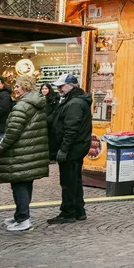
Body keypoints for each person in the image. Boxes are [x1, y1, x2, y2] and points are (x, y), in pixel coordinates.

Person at [0, 74, 51, 232]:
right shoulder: (36, 103)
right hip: (31, 152)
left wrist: (1, 147)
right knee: (25, 184)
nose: (15, 89)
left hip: (20, 153)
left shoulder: (22, 105)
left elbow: (13, 131)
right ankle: (20, 214)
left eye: (18, 86)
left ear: (26, 87)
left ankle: (23, 219)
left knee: (19, 185)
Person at [48, 74, 93, 225]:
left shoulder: (74, 103)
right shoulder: (73, 101)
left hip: (72, 149)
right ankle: (78, 211)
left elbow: (71, 129)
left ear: (71, 86)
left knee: (69, 182)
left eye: (61, 86)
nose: (59, 89)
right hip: (75, 148)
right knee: (74, 181)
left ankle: (69, 212)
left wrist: (63, 150)